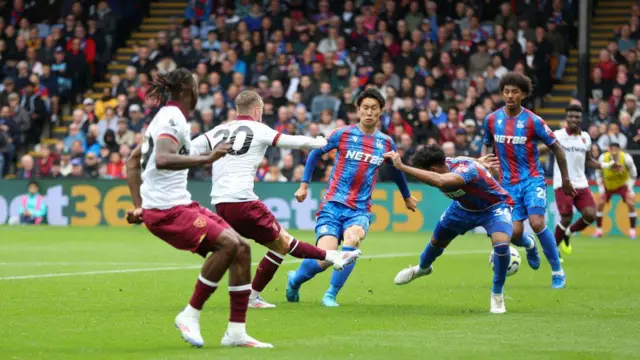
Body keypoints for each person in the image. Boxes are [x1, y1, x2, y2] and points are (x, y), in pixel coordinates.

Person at [125, 68, 272, 349]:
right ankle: (190, 314)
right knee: (228, 245)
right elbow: (164, 158)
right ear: (189, 92)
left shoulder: (166, 119)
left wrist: (139, 207)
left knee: (242, 248)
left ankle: (236, 332)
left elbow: (133, 161)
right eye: (197, 87)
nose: (199, 91)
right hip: (167, 211)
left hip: (178, 203)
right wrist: (208, 157)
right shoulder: (171, 118)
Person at [191, 90, 360, 309]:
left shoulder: (219, 130)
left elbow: (191, 148)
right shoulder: (258, 128)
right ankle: (332, 256)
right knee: (285, 242)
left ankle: (252, 295)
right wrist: (320, 142)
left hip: (221, 204)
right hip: (243, 201)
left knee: (278, 245)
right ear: (256, 110)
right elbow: (291, 141)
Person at [287, 88, 419, 307]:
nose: (369, 112)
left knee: (353, 240)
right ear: (358, 110)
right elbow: (315, 153)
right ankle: (295, 280)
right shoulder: (342, 134)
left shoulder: (386, 143)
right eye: (365, 108)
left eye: (373, 108)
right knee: (325, 258)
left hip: (359, 210)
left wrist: (406, 196)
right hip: (332, 206)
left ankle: (330, 294)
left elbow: (395, 170)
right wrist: (304, 186)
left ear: (381, 112)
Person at [385, 145, 513, 313]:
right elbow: (462, 161)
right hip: (462, 209)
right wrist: (477, 161)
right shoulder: (452, 163)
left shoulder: (463, 172)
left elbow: (441, 181)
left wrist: (401, 167)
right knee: (436, 242)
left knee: (502, 244)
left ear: (432, 169)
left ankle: (497, 294)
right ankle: (422, 269)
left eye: (423, 172)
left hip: (493, 207)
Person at [481, 72, 575, 289]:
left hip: (532, 180)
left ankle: (557, 271)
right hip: (507, 184)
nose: (510, 96)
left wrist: (566, 179)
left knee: (537, 222)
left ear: (523, 94)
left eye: (515, 92)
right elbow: (486, 145)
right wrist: (485, 165)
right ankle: (529, 244)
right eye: (506, 91)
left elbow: (557, 149)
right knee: (513, 233)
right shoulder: (492, 120)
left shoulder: (534, 121)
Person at [544, 105, 610, 255]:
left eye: (577, 117)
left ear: (581, 119)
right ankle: (552, 251)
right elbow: (544, 148)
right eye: (571, 116)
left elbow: (589, 161)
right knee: (566, 218)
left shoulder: (586, 137)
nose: (573, 119)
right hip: (563, 182)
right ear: (566, 119)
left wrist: (607, 166)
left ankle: (569, 232)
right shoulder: (558, 135)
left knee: (590, 215)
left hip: (581, 183)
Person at [594, 143, 638, 239]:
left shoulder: (626, 158)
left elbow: (634, 174)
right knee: (600, 203)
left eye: (616, 149)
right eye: (611, 149)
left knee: (631, 203)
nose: (613, 151)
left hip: (623, 184)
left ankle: (632, 231)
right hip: (608, 184)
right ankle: (598, 231)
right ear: (608, 149)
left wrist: (629, 187)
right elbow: (598, 173)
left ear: (619, 150)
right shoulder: (603, 158)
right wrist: (601, 188)